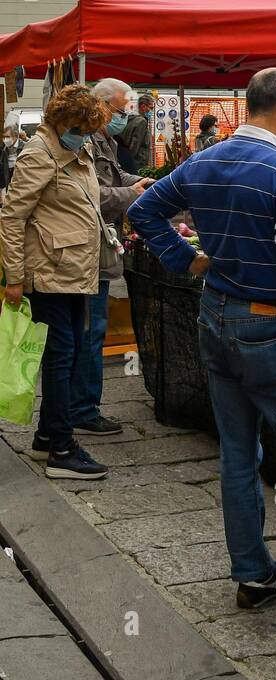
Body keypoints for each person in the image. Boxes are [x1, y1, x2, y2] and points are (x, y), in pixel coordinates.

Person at [128, 67, 276, 634]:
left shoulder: (205, 159)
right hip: (272, 332)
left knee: (238, 454)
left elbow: (142, 212)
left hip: (215, 318)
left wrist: (189, 262)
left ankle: (254, 575)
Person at [0, 85, 110, 480]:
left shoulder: (76, 149)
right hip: (48, 274)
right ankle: (62, 448)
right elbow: (12, 218)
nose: (83, 133)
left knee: (72, 351)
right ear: (61, 121)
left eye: (88, 129)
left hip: (74, 271)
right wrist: (14, 278)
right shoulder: (39, 154)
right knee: (61, 358)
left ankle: (47, 434)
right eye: (79, 127)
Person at [67, 79, 153, 438]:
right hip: (88, 251)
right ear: (100, 106)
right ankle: (83, 410)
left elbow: (113, 178)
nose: (123, 118)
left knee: (89, 330)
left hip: (97, 249)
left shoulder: (103, 141)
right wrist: (130, 193)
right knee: (89, 331)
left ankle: (82, 407)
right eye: (120, 111)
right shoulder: (83, 142)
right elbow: (93, 196)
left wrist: (143, 183)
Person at [116, 93, 153, 173]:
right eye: (150, 108)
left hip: (124, 160)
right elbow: (135, 144)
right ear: (143, 106)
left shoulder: (129, 119)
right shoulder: (141, 121)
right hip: (137, 163)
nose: (151, 111)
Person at [1, 123, 27, 200]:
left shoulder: (25, 147)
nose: (5, 139)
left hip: (23, 186)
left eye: (8, 137)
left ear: (15, 136)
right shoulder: (3, 150)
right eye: (4, 137)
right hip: (9, 187)